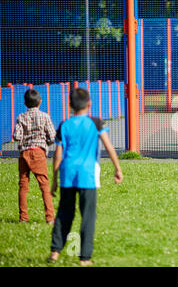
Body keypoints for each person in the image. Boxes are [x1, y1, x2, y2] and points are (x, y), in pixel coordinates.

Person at [48, 88, 123, 266]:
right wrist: (117, 168)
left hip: (67, 174)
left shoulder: (64, 125)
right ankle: (85, 258)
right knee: (87, 216)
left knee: (64, 213)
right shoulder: (96, 123)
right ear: (89, 104)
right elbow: (109, 146)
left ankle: (55, 252)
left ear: (70, 105)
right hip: (87, 175)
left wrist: (54, 179)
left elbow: (58, 155)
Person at [13, 89, 56, 224]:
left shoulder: (21, 117)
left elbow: (16, 136)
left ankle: (23, 217)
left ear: (25, 103)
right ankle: (49, 217)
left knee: (23, 185)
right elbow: (53, 136)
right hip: (39, 152)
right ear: (40, 102)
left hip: (24, 153)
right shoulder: (45, 116)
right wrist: (46, 142)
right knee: (44, 185)